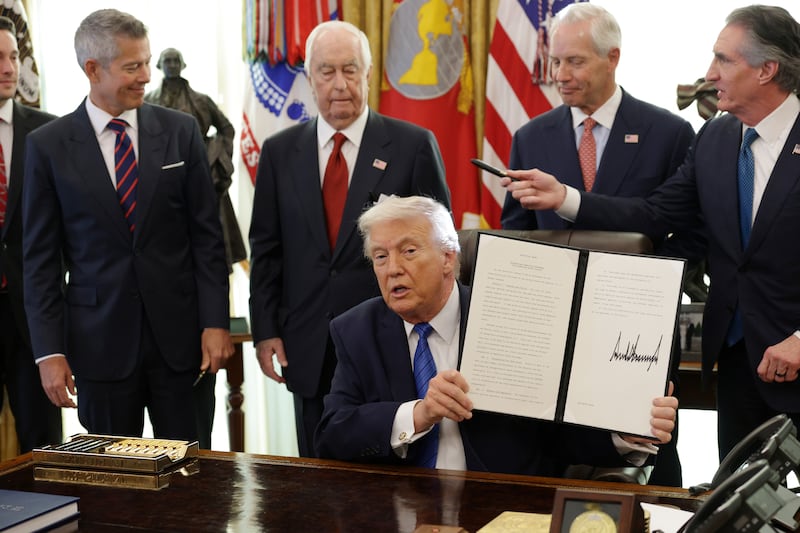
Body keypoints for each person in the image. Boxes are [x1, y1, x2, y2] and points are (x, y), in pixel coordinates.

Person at [503, 5, 800, 462]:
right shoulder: (715, 139)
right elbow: (655, 214)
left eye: (723, 59)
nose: (709, 73)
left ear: (767, 69)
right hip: (738, 358)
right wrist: (565, 197)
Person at [315, 195, 678, 475]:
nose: (393, 269)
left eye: (408, 251)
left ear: (448, 257)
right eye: (380, 257)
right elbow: (332, 435)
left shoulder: (513, 318)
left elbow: (558, 434)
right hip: (402, 506)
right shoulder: (356, 329)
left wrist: (627, 428)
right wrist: (419, 414)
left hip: (501, 501)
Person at [500, 2, 699, 487]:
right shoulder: (531, 136)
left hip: (637, 331)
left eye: (575, 61)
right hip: (552, 327)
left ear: (612, 58)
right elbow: (515, 233)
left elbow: (687, 231)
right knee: (553, 448)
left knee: (645, 446)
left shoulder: (669, 133)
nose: (560, 75)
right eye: (556, 62)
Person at [22, 9, 234, 442]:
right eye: (132, 66)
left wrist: (216, 323)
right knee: (115, 490)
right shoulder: (47, 147)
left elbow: (207, 238)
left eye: (147, 62)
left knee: (192, 483)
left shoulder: (181, 131)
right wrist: (50, 351)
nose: (145, 76)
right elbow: (41, 262)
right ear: (93, 70)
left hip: (184, 346)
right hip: (98, 350)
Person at [249, 20, 451, 457]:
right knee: (316, 468)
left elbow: (442, 244)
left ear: (368, 73)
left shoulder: (412, 144)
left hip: (387, 340)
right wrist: (265, 329)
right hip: (306, 341)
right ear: (309, 77)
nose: (339, 84)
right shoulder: (280, 152)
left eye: (350, 70)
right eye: (326, 71)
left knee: (388, 461)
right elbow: (266, 249)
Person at [144, 47, 245, 449]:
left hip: (207, 191)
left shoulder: (201, 101)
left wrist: (215, 160)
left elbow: (227, 130)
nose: (170, 68)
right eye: (164, 63)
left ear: (181, 66)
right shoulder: (149, 102)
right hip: (165, 205)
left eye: (174, 62)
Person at [0, 15, 61, 452]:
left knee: (43, 450)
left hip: (33, 318)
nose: (8, 68)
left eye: (13, 57)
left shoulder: (47, 130)